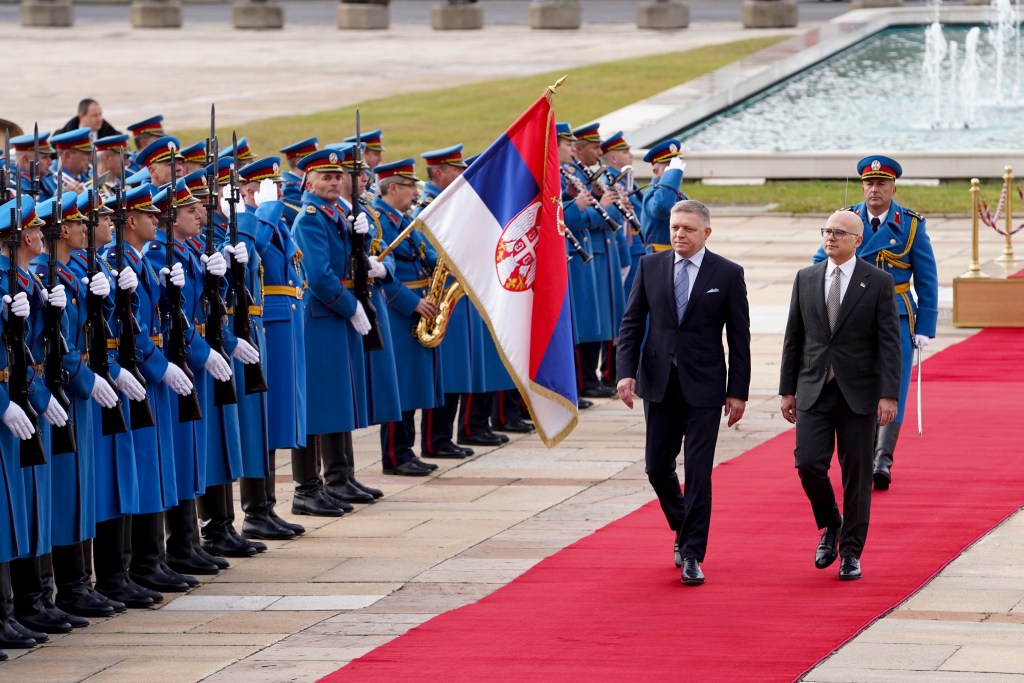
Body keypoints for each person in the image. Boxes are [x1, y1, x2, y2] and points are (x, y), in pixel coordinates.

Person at [616, 199, 750, 586]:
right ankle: (682, 525)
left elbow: (739, 339)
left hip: (705, 388)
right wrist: (626, 373)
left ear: (706, 233)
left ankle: (692, 553)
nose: (679, 234)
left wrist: (737, 391)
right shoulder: (650, 266)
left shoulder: (727, 273)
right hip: (658, 383)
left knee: (698, 472)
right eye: (675, 227)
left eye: (688, 229)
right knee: (656, 467)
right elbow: (631, 325)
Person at [781, 210, 902, 581]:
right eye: (827, 231)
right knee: (808, 463)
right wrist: (787, 390)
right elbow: (794, 338)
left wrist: (888, 395)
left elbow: (888, 344)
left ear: (857, 240)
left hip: (859, 393)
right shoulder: (806, 278)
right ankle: (831, 523)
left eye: (839, 232)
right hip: (814, 389)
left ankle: (851, 552)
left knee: (857, 475)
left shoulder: (878, 281)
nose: (830, 238)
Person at [813, 156, 938, 491]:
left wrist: (926, 324)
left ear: (893, 188)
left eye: (881, 183)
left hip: (896, 313)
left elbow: (926, 277)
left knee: (892, 383)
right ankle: (863, 452)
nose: (874, 190)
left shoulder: (910, 225)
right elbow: (818, 261)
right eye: (869, 183)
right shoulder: (846, 219)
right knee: (857, 380)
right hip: (853, 315)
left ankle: (883, 458)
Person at [640, 139, 687, 252]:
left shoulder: (678, 194)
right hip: (661, 258)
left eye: (677, 165)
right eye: (669, 167)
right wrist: (672, 175)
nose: (676, 172)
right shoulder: (652, 194)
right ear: (656, 172)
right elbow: (663, 207)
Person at [56, 98, 121, 139]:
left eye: (100, 114)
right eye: (94, 116)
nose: (99, 119)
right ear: (81, 117)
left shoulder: (114, 136)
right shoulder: (60, 137)